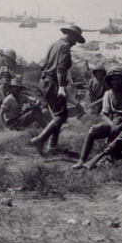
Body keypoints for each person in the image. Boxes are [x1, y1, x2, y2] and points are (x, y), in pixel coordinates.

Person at [30, 24, 85, 155]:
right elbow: (61, 68)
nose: (75, 44)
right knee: (61, 115)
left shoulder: (53, 44)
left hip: (44, 82)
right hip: (52, 82)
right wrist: (61, 87)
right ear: (71, 35)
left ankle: (52, 146)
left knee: (57, 115)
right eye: (75, 40)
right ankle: (40, 139)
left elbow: (46, 65)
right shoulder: (65, 46)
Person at [72, 67, 122, 169]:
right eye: (112, 79)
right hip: (113, 124)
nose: (115, 82)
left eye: (117, 79)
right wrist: (113, 125)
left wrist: (120, 127)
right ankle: (81, 160)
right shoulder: (108, 94)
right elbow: (104, 114)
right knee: (93, 130)